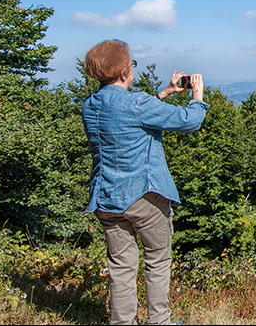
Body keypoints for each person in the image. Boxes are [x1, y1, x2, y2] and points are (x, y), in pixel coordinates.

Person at [81, 39, 209, 325]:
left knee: (121, 266)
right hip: (145, 196)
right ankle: (158, 321)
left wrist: (164, 93)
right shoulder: (138, 103)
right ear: (125, 72)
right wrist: (197, 96)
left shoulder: (89, 105)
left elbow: (122, 114)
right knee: (158, 260)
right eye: (131, 65)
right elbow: (188, 121)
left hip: (105, 197)